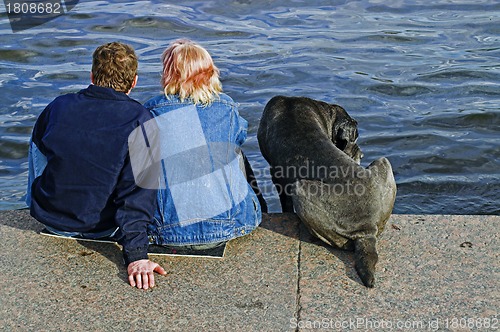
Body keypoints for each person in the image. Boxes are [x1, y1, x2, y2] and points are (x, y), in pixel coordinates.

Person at [26, 42, 166, 290]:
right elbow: (137, 191)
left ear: (92, 76)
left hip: (52, 221)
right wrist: (136, 255)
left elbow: (41, 154)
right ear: (134, 82)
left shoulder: (58, 105)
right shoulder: (140, 119)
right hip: (102, 228)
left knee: (41, 140)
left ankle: (44, 202)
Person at [143, 39, 263, 249]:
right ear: (209, 72)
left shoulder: (151, 112)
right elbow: (239, 137)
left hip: (168, 231)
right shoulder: (227, 107)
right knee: (233, 151)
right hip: (231, 225)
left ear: (169, 74)